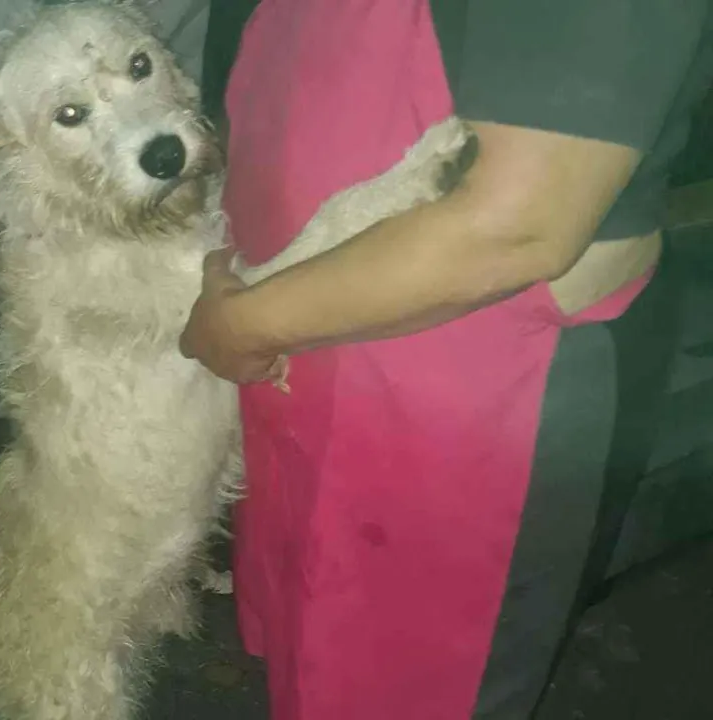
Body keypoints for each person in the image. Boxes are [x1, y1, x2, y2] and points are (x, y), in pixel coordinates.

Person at [180, 1, 713, 718]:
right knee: (314, 656)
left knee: (405, 688)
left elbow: (515, 228)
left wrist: (241, 326)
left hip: (460, 386)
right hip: (303, 358)